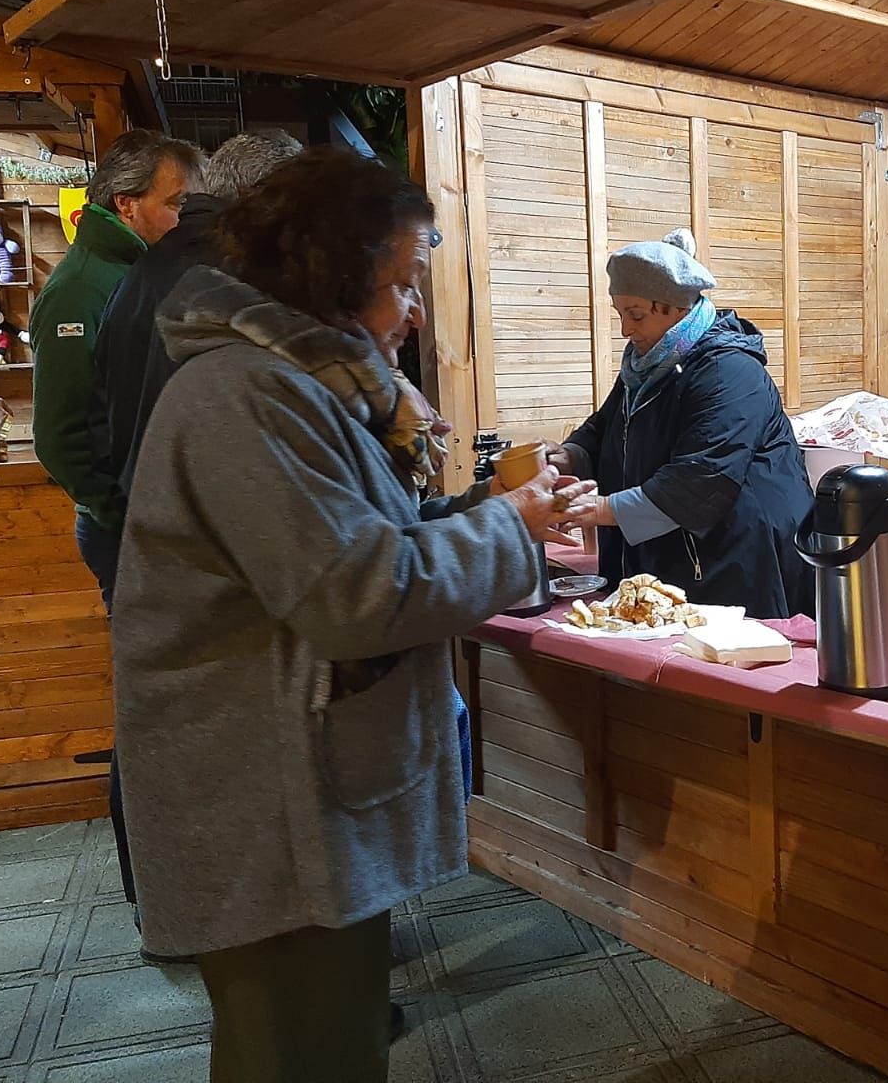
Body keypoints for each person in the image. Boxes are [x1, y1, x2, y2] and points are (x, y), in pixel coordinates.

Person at [112, 148, 593, 1082]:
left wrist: (482, 514)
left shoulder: (287, 386)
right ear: (330, 276)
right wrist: (511, 525)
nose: (414, 311)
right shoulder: (249, 396)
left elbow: (365, 544)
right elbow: (360, 596)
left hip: (292, 783)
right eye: (402, 282)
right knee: (302, 1055)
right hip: (264, 797)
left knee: (320, 1043)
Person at [551, 228, 813, 619]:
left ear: (676, 308)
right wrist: (565, 456)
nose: (626, 329)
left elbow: (701, 477)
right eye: (621, 313)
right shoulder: (647, 367)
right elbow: (606, 427)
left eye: (635, 315)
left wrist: (598, 509)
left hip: (742, 555)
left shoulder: (729, 370)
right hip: (683, 554)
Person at [92, 129, 303, 523]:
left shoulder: (141, 273)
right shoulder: (243, 272)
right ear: (268, 198)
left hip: (149, 507)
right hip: (210, 518)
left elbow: (102, 407)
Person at [32, 128, 205, 606]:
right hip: (127, 526)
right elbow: (58, 434)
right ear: (126, 205)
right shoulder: (80, 288)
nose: (183, 220)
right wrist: (125, 511)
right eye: (176, 205)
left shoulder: (140, 271)